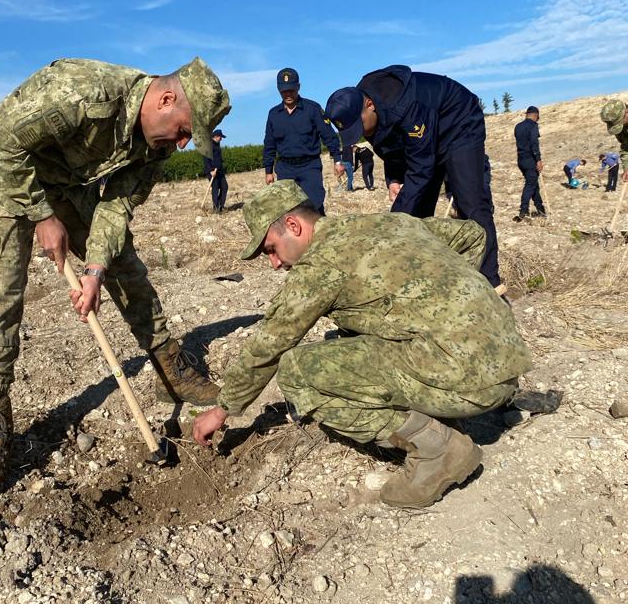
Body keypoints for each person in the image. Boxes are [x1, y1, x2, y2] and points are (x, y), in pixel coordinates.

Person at [0, 56, 230, 499]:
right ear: (165, 99)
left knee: (124, 268)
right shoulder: (86, 92)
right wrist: (44, 217)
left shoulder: (155, 145)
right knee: (1, 293)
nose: (182, 144)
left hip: (63, 185)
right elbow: (4, 144)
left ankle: (170, 369)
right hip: (3, 172)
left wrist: (94, 270)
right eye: (184, 130)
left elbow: (116, 208)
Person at [193, 181, 533, 509]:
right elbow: (472, 235)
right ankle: (445, 404)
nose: (275, 263)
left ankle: (439, 450)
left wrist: (223, 409)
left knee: (298, 371)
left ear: (293, 225)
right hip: (507, 359)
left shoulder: (319, 266)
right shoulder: (386, 222)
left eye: (270, 249)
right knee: (348, 339)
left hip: (469, 382)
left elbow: (269, 346)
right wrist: (445, 304)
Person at [325, 65, 501, 287]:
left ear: (369, 105)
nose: (362, 134)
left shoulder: (405, 106)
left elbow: (422, 168)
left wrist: (395, 221)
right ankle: (420, 279)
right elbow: (388, 146)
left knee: (470, 202)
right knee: (417, 211)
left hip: (457, 122)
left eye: (360, 127)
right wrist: (394, 179)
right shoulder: (366, 111)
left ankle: (490, 282)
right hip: (424, 135)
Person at [263, 67, 344, 214]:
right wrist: (268, 170)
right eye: (284, 91)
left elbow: (329, 136)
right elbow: (269, 144)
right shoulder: (274, 114)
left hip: (309, 167)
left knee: (314, 206)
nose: (288, 94)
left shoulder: (312, 109)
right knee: (289, 209)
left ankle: (319, 234)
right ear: (278, 90)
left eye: (291, 90)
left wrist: (337, 160)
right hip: (285, 168)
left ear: (298, 87)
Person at [513, 105, 546, 222]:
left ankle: (541, 209)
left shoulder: (518, 127)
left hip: (520, 160)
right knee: (530, 185)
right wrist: (538, 159)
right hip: (530, 160)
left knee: (533, 185)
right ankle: (523, 210)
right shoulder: (533, 126)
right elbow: (534, 144)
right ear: (536, 116)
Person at [599, 98, 628, 184]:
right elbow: (626, 148)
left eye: (619, 122)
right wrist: (627, 168)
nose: (620, 125)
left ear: (626, 112)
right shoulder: (623, 129)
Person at [203, 128, 228, 213]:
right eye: (221, 137)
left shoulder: (218, 145)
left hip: (219, 171)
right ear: (216, 136)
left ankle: (221, 206)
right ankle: (216, 208)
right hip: (212, 171)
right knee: (215, 188)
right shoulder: (208, 145)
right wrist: (210, 170)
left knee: (224, 187)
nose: (221, 139)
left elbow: (218, 158)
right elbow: (206, 159)